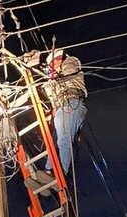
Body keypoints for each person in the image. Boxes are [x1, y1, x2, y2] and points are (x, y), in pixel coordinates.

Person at [25, 48, 87, 196]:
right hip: (63, 106)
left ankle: (60, 173)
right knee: (53, 143)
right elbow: (51, 89)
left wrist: (51, 73)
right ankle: (48, 172)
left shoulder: (70, 62)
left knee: (63, 140)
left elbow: (65, 73)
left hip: (72, 102)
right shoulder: (54, 77)